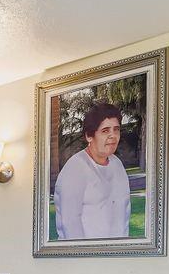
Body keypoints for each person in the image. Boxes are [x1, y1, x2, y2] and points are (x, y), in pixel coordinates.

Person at [53, 101, 130, 239]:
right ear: (89, 136)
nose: (113, 135)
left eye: (116, 129)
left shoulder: (117, 165)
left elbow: (124, 215)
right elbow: (70, 225)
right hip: (83, 257)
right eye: (105, 130)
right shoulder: (75, 169)